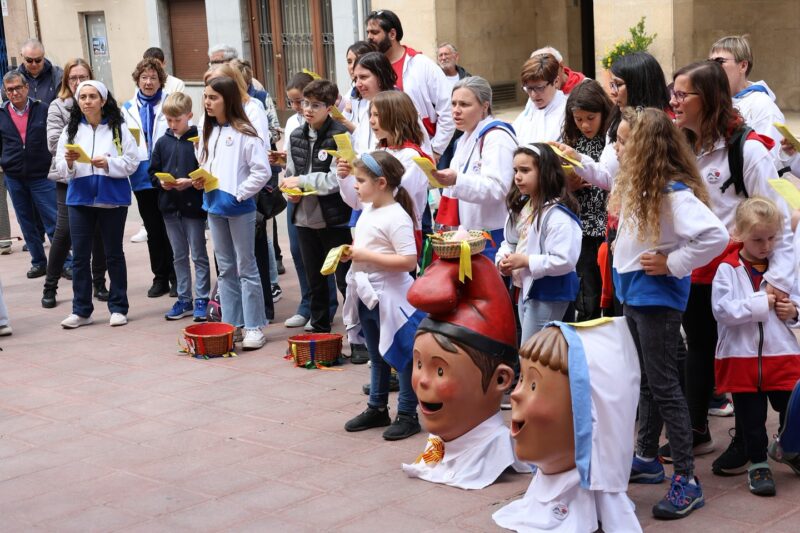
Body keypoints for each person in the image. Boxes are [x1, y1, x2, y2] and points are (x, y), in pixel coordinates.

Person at [588, 107, 729, 519]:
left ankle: (687, 478)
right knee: (647, 381)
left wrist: (673, 263)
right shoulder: (642, 184)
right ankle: (647, 457)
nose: (617, 148)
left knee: (664, 385)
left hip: (656, 298)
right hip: (635, 293)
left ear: (646, 147)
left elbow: (715, 235)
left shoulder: (671, 192)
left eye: (624, 141)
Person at [670, 60, 795, 476]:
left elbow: (779, 220)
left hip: (743, 272)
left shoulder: (749, 149)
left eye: (682, 94)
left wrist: (775, 282)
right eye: (673, 93)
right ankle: (697, 428)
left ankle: (751, 441)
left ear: (707, 99)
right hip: (696, 268)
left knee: (745, 356)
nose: (674, 101)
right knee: (702, 349)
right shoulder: (682, 146)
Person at [712, 197, 800, 496]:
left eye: (772, 238)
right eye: (758, 239)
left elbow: (796, 300)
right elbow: (722, 310)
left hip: (782, 354)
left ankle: (787, 447)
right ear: (739, 234)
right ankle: (758, 463)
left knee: (792, 408)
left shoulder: (782, 269)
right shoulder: (727, 269)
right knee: (751, 419)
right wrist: (762, 304)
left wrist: (794, 312)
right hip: (741, 357)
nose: (766, 246)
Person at [339, 151, 425, 439]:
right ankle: (377, 407)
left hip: (392, 296)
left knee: (402, 355)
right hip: (368, 293)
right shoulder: (369, 209)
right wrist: (352, 253)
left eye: (361, 180)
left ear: (381, 183)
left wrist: (365, 255)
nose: (355, 185)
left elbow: (409, 261)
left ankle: (408, 413)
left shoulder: (397, 216)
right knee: (376, 354)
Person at [55, 80, 139, 328]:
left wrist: (109, 164)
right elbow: (60, 167)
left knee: (114, 254)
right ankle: (81, 311)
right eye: (83, 97)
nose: (87, 101)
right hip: (80, 199)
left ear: (103, 101)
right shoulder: (70, 130)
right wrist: (70, 163)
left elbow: (132, 162)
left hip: (111, 199)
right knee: (80, 257)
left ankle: (119, 307)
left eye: (92, 97)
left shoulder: (118, 128)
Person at [195, 76, 270, 349]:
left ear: (228, 100)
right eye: (205, 97)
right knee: (225, 268)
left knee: (246, 267)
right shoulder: (208, 130)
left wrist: (239, 194)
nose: (207, 102)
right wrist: (200, 180)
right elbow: (205, 163)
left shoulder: (245, 132)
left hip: (239, 209)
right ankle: (232, 323)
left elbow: (262, 171)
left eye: (213, 97)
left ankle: (254, 326)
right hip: (213, 206)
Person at [280, 79, 351, 334]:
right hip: (304, 218)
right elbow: (291, 173)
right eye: (306, 104)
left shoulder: (340, 136)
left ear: (329, 108)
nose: (308, 110)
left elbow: (337, 179)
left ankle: (357, 335)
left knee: (345, 279)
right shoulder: (296, 135)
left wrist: (303, 181)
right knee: (315, 279)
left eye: (316, 105)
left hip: (334, 218)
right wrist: (291, 192)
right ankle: (321, 333)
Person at [496, 143, 581, 344]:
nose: (517, 177)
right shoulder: (524, 206)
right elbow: (511, 242)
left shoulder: (558, 214)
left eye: (525, 170)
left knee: (532, 351)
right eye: (516, 170)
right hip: (526, 287)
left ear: (544, 172)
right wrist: (503, 260)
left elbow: (565, 260)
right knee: (531, 350)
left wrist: (525, 261)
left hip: (549, 291)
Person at [42, 58, 108, 309]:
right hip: (68, 176)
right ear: (66, 81)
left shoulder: (102, 101)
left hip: (97, 175)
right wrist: (85, 146)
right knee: (65, 231)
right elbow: (53, 143)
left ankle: (99, 282)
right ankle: (50, 285)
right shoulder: (58, 106)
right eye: (73, 78)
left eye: (83, 77)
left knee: (99, 229)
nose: (78, 82)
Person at [432, 76, 516, 261]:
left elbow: (498, 188)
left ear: (485, 106)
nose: (456, 110)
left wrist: (457, 180)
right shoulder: (463, 139)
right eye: (453, 103)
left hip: (494, 236)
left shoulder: (497, 137)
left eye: (464, 104)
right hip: (468, 235)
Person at [149, 92, 210, 322]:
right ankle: (184, 298)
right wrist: (161, 182)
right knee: (179, 255)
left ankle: (202, 298)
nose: (173, 124)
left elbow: (206, 171)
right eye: (169, 120)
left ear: (189, 116)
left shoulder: (198, 140)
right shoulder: (162, 142)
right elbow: (152, 171)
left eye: (177, 120)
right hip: (169, 207)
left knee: (199, 254)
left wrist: (191, 183)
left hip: (193, 207)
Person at [365, 9, 454, 159]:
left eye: (374, 32)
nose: (369, 37)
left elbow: (448, 107)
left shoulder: (422, 64)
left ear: (392, 34)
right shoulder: (371, 68)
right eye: (368, 32)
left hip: (423, 152)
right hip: (386, 155)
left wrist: (436, 149)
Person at [121, 58, 176, 298]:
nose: (148, 82)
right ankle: (160, 278)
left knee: (171, 227)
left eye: (153, 77)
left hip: (166, 172)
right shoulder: (127, 108)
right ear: (138, 80)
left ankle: (177, 276)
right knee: (153, 229)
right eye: (144, 77)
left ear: (160, 80)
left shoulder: (170, 103)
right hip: (142, 176)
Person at [560, 80, 614, 321]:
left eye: (591, 118)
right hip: (582, 229)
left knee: (610, 293)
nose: (584, 125)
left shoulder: (613, 141)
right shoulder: (570, 142)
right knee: (587, 294)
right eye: (578, 119)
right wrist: (566, 185)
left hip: (608, 228)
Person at [0, 71, 57, 279]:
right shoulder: (1, 113)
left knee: (53, 220)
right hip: (14, 177)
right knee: (26, 222)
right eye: (9, 90)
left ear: (26, 88)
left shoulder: (42, 108)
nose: (14, 93)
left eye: (17, 88)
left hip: (42, 175)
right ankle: (38, 262)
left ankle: (64, 262)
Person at [709, 36, 784, 163]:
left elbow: (766, 161)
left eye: (720, 61)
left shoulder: (762, 106)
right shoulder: (711, 101)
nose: (712, 68)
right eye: (709, 62)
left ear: (743, 66)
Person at [512, 53, 566, 145]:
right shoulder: (528, 109)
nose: (533, 95)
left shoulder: (567, 112)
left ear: (556, 82)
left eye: (540, 88)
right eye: (529, 88)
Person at [16, 39, 63, 106]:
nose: (34, 64)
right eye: (29, 60)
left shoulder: (58, 75)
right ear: (22, 56)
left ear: (43, 56)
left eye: (38, 60)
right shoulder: (13, 78)